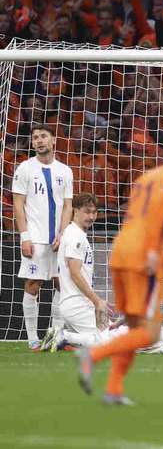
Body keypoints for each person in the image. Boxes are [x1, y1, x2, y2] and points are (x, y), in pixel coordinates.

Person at [76, 131, 163, 406]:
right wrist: (153, 253)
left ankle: (113, 390)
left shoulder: (148, 177)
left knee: (134, 327)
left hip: (121, 249)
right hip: (142, 256)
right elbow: (157, 216)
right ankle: (92, 355)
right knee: (151, 332)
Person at [12, 123, 73, 350]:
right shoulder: (25, 168)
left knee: (61, 284)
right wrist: (24, 236)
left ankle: (55, 336)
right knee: (33, 284)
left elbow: (68, 206)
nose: (38, 140)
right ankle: (32, 338)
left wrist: (63, 234)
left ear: (53, 140)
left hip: (58, 238)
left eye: (43, 136)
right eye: (35, 137)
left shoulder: (65, 171)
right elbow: (18, 205)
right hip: (35, 237)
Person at [39, 193, 105, 351]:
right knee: (107, 343)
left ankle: (66, 338)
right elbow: (74, 273)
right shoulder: (76, 236)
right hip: (77, 303)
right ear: (75, 211)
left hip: (75, 302)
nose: (91, 216)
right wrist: (96, 301)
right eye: (87, 211)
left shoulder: (73, 232)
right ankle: (64, 336)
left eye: (94, 212)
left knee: (104, 336)